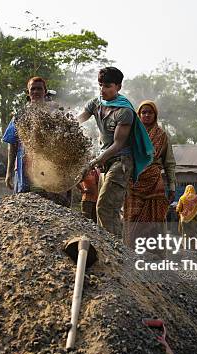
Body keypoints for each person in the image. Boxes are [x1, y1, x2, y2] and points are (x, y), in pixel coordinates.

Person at [77, 67, 154, 237]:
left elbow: (118, 144)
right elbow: (79, 119)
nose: (102, 90)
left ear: (118, 87)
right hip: (105, 162)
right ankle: (107, 247)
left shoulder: (124, 111)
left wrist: (93, 162)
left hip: (121, 162)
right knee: (103, 208)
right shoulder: (96, 103)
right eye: (100, 85)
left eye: (107, 86)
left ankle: (116, 251)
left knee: (105, 206)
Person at [3, 77, 70, 206]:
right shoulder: (20, 115)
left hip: (49, 166)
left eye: (39, 88)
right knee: (25, 205)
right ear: (28, 92)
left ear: (45, 91)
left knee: (51, 204)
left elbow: (66, 143)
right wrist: (8, 172)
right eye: (32, 89)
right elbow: (12, 144)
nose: (36, 92)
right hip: (24, 167)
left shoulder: (55, 114)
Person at [123, 101, 176, 246]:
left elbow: (169, 163)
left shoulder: (162, 136)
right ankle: (131, 249)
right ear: (138, 115)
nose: (146, 115)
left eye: (150, 112)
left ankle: (157, 252)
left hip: (154, 182)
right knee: (132, 216)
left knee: (156, 217)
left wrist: (172, 186)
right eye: (143, 112)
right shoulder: (131, 134)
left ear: (155, 115)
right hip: (134, 180)